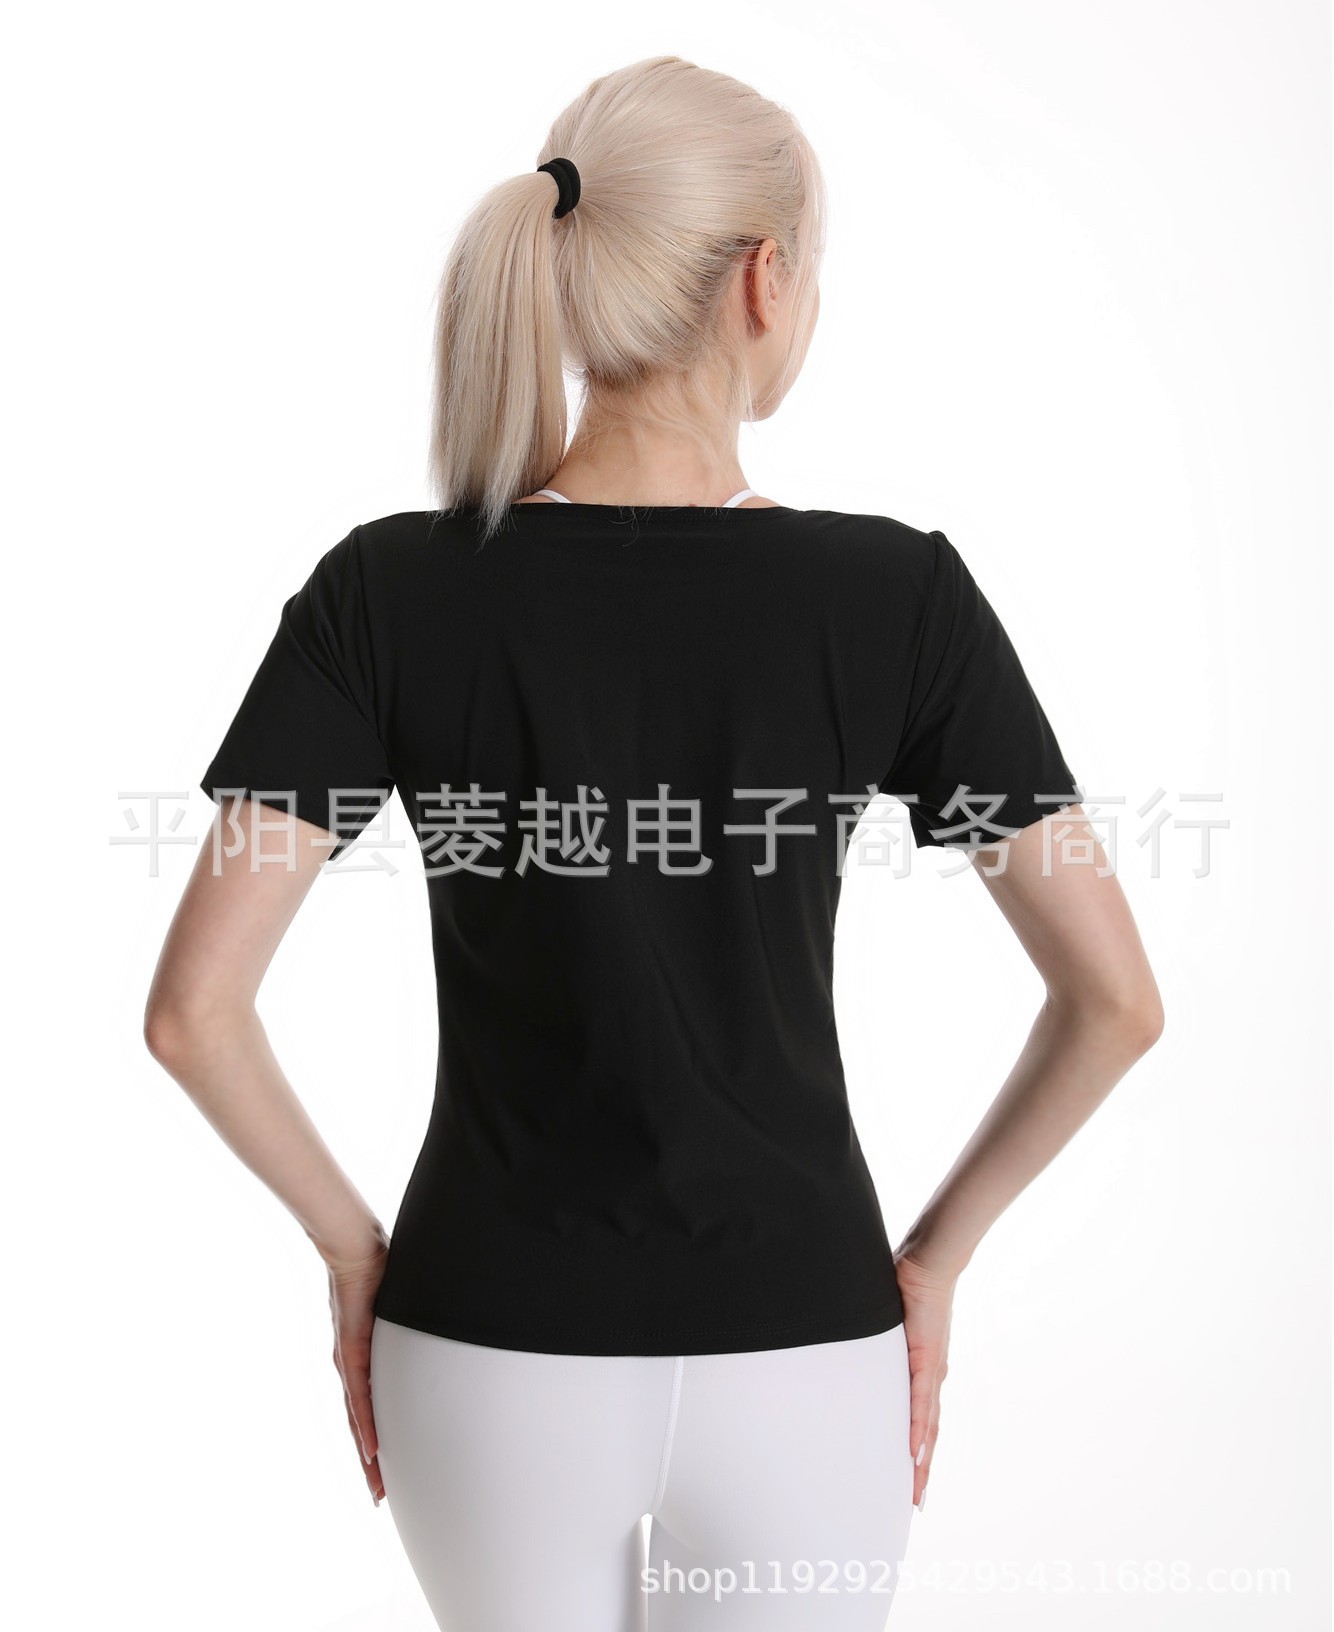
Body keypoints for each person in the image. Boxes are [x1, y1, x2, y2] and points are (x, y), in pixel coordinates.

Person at [145, 53, 1164, 1632]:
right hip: (803, 1342)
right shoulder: (892, 597)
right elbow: (1114, 1002)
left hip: (482, 1340)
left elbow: (193, 1014)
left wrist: (353, 1254)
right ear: (764, 280)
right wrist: (933, 1262)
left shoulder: (389, 591)